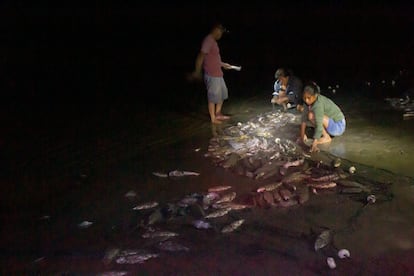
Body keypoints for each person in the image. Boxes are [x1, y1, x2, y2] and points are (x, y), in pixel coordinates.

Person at [191, 23, 234, 124]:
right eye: (220, 31)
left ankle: (218, 113)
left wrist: (223, 64)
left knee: (222, 94)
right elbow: (201, 56)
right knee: (212, 96)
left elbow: (214, 59)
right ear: (215, 29)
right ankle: (213, 118)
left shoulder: (214, 42)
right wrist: (197, 71)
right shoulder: (208, 40)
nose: (221, 34)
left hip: (218, 73)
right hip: (211, 74)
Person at [298, 81, 346, 153]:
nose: (307, 100)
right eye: (304, 98)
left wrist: (314, 144)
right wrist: (302, 136)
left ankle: (326, 137)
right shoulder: (307, 102)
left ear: (315, 96)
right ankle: (325, 134)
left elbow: (319, 124)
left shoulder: (318, 104)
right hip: (330, 122)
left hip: (339, 125)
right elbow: (303, 119)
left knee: (311, 116)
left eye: (309, 98)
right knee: (309, 115)